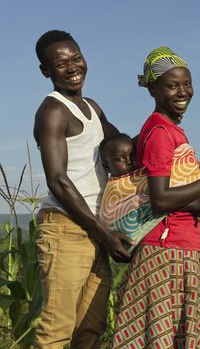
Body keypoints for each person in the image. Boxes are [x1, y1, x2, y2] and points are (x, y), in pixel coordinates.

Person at [112, 46, 200, 349]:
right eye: (172, 86)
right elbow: (160, 199)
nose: (183, 92)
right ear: (153, 90)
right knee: (159, 340)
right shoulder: (160, 131)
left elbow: (186, 197)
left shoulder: (172, 131)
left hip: (180, 248)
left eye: (187, 84)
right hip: (164, 252)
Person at [33, 30, 133, 349]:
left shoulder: (92, 108)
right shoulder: (53, 111)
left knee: (90, 329)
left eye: (76, 58)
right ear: (46, 71)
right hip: (66, 228)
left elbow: (127, 145)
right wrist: (104, 234)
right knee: (56, 330)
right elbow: (58, 181)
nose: (73, 67)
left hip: (94, 228)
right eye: (61, 64)